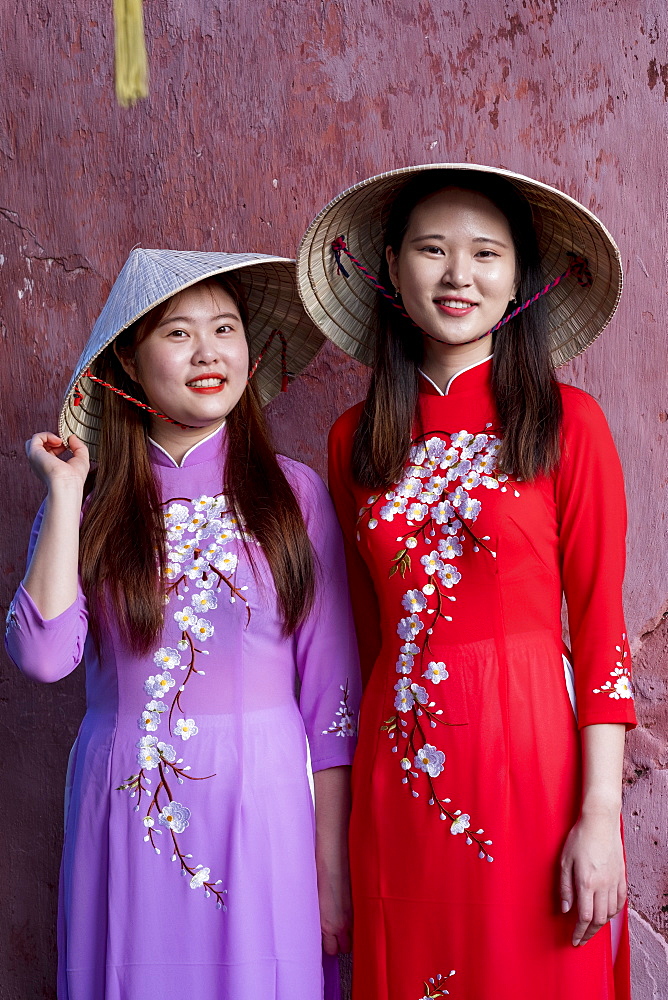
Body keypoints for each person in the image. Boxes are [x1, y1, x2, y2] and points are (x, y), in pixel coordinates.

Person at [296, 166, 636, 1000]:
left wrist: (599, 816)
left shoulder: (570, 424)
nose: (458, 275)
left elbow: (600, 636)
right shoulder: (353, 443)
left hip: (537, 781)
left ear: (517, 276)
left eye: (486, 253)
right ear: (389, 264)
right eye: (433, 250)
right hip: (399, 779)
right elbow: (359, 648)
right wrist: (330, 846)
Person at [5, 248, 361, 1000]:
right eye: (178, 333)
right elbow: (42, 657)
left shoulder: (293, 495)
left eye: (225, 328)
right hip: (124, 811)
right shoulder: (92, 504)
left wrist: (331, 869)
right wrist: (67, 492)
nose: (209, 353)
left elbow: (332, 701)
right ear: (129, 362)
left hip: (265, 815)